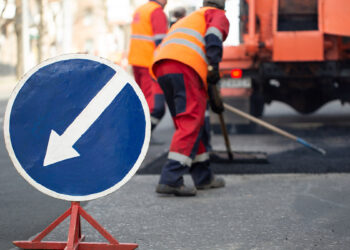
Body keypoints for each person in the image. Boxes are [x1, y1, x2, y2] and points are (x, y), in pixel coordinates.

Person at [151, 0, 230, 196]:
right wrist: (213, 66)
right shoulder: (216, 14)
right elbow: (213, 36)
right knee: (191, 121)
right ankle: (170, 177)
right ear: (223, 5)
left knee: (187, 123)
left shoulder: (189, 19)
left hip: (163, 67)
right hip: (185, 66)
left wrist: (211, 93)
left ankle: (203, 176)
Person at [128, 0, 168, 131]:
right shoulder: (156, 11)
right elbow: (161, 41)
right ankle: (143, 134)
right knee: (153, 105)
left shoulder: (140, 10)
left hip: (136, 60)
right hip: (149, 63)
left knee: (142, 100)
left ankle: (140, 133)